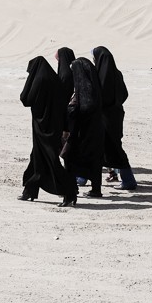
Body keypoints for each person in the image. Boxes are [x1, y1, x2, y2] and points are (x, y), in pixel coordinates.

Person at [20, 56, 78, 206]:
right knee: (36, 159)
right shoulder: (55, 80)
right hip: (53, 127)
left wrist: (30, 82)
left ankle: (70, 192)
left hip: (42, 129)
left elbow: (25, 99)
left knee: (50, 161)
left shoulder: (39, 80)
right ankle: (30, 190)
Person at [93, 46, 137, 190]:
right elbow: (124, 94)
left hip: (104, 117)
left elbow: (98, 96)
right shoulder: (117, 74)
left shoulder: (99, 75)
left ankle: (128, 181)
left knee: (113, 148)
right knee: (108, 147)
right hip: (117, 115)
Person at [62, 57, 105, 197]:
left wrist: (70, 108)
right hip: (95, 133)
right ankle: (95, 189)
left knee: (70, 158)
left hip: (83, 134)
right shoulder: (94, 88)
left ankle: (70, 190)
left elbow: (81, 110)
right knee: (94, 161)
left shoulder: (85, 93)